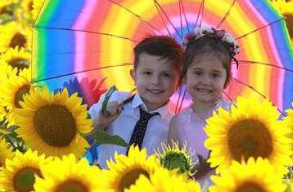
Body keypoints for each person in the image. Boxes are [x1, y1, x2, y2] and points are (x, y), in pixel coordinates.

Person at [89, 35, 184, 168]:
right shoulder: (113, 101)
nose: (156, 81)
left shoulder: (175, 128)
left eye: (166, 75)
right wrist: (100, 122)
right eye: (148, 73)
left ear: (179, 81)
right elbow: (81, 140)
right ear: (134, 76)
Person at [168, 26, 239, 187]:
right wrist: (198, 170)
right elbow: (172, 169)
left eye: (215, 75)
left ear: (226, 80)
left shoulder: (235, 115)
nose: (206, 81)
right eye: (198, 73)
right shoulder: (177, 123)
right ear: (185, 76)